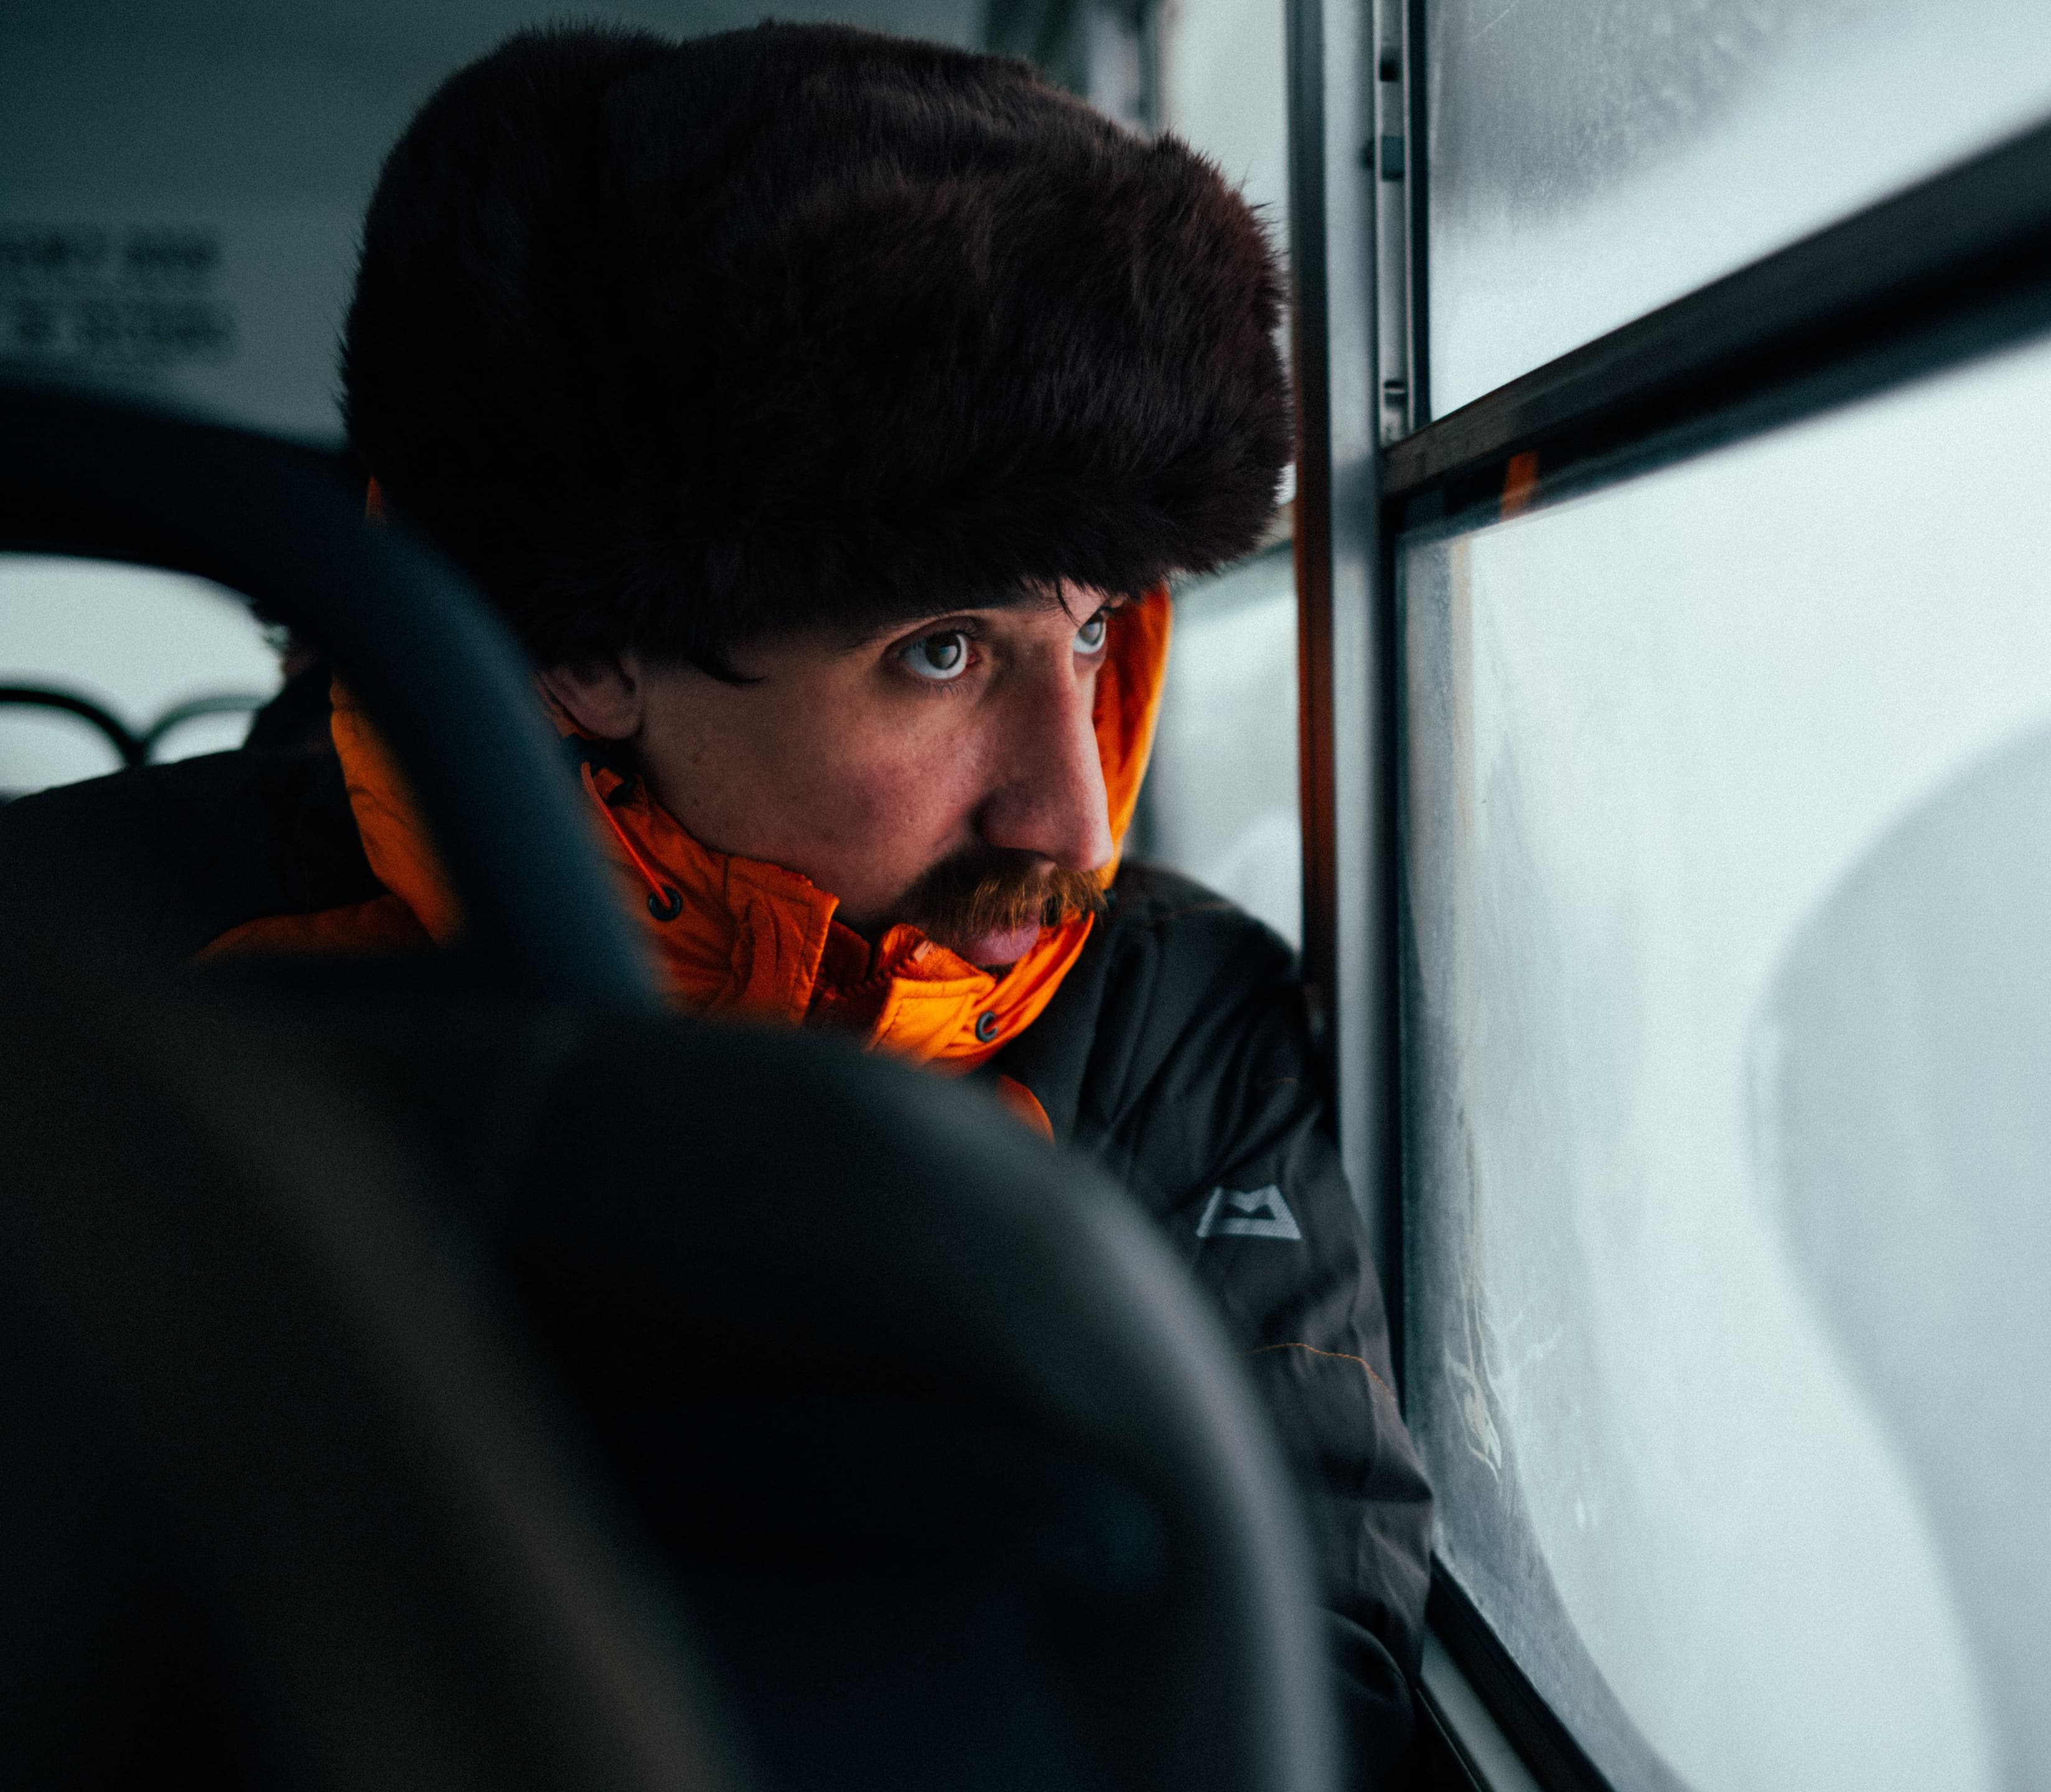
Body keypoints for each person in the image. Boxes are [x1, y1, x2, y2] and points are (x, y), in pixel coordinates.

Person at [178, 22, 1431, 1785]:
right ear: (580, 655)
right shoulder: (130, 996)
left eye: (1089, 636)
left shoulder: (1170, 1023)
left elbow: (1322, 1680)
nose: (1072, 809)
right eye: (938, 652)